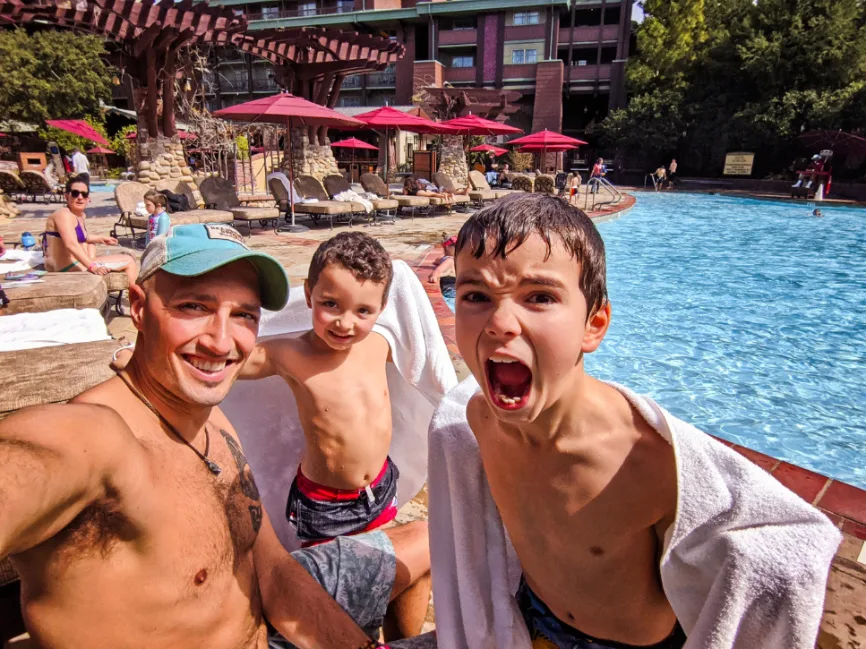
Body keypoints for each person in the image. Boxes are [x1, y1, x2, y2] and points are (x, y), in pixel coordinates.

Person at [427, 194, 841, 649]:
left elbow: (775, 549)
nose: (500, 322)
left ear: (594, 324)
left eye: (540, 297)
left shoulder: (644, 462)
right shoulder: (475, 420)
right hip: (530, 615)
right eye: (476, 296)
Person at [1, 223, 434, 649]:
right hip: (324, 510)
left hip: (277, 611)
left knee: (427, 539)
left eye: (244, 314)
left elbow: (274, 571)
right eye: (193, 307)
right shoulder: (87, 439)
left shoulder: (217, 427)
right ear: (137, 307)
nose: (221, 340)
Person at [233, 231, 433, 639]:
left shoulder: (380, 342)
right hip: (326, 505)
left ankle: (401, 642)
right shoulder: (289, 354)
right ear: (308, 295)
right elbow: (227, 362)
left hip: (380, 488)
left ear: (381, 309)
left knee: (400, 573)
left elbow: (425, 354)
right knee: (336, 600)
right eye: (330, 305)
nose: (346, 323)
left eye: (363, 310)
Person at [42, 175, 137, 286]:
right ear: (67, 196)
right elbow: (71, 244)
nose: (80, 197)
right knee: (129, 260)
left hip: (71, 263)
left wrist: (101, 238)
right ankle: (136, 300)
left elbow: (83, 236)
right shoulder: (64, 215)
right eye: (75, 193)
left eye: (84, 194)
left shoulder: (80, 215)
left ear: (88, 199)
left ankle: (92, 260)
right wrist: (92, 266)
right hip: (65, 268)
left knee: (90, 243)